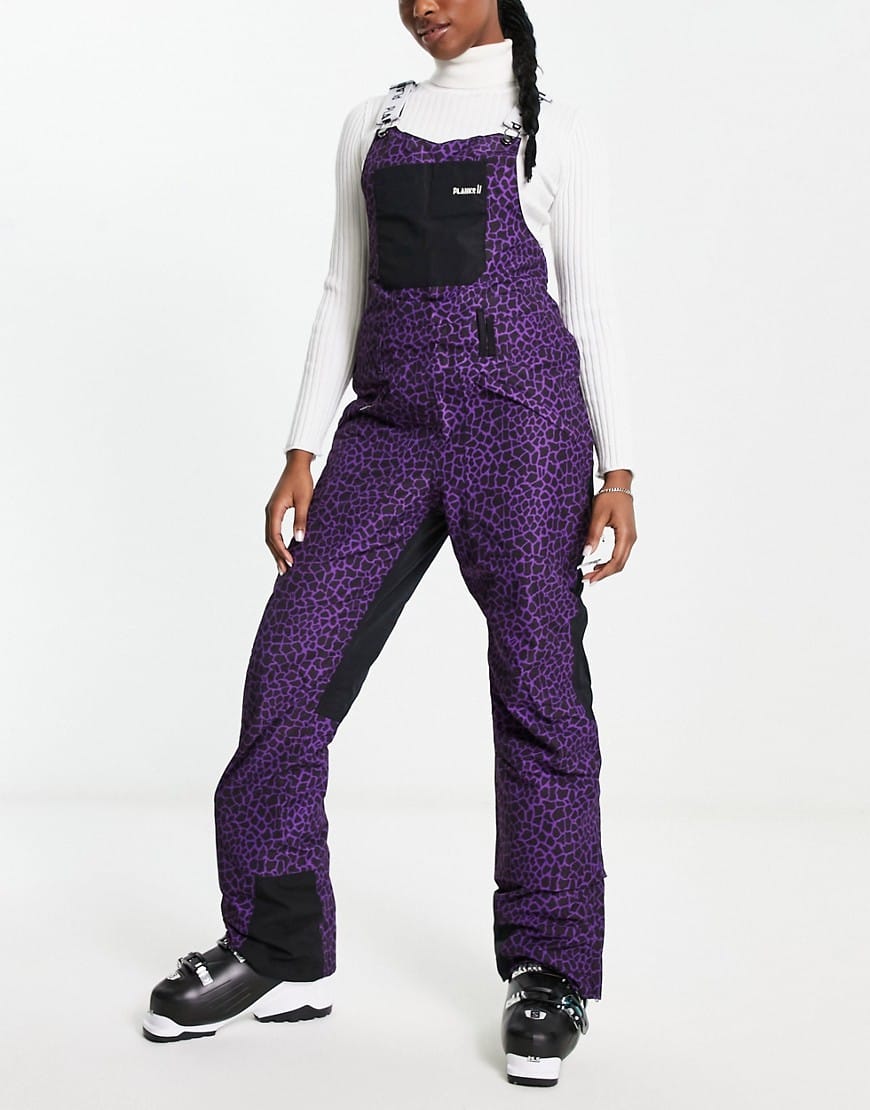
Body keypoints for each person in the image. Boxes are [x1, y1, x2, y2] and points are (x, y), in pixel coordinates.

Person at [142, 0, 637, 1088]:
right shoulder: (372, 123)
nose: (422, 4)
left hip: (525, 423)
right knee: (290, 667)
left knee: (540, 688)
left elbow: (593, 307)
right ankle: (278, 949)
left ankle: (550, 968)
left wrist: (620, 469)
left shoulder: (552, 127)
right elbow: (341, 289)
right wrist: (301, 447)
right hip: (388, 433)